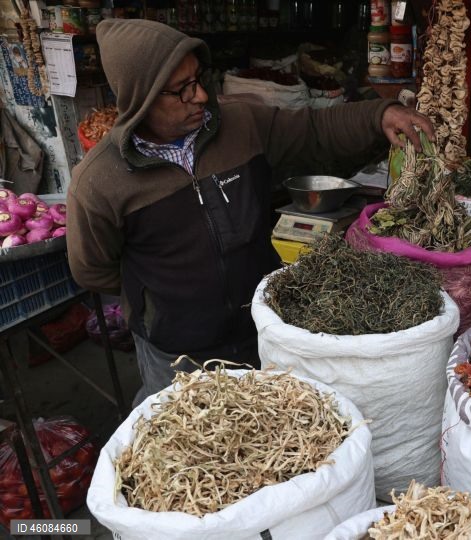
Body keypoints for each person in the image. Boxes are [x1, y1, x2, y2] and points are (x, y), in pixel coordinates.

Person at [66, 19, 435, 406]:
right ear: (140, 99)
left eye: (199, 80)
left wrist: (380, 116)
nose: (201, 98)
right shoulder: (99, 182)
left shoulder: (241, 124)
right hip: (177, 354)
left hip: (261, 328)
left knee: (272, 435)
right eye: (182, 90)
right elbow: (95, 270)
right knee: (192, 450)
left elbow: (314, 130)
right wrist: (158, 302)